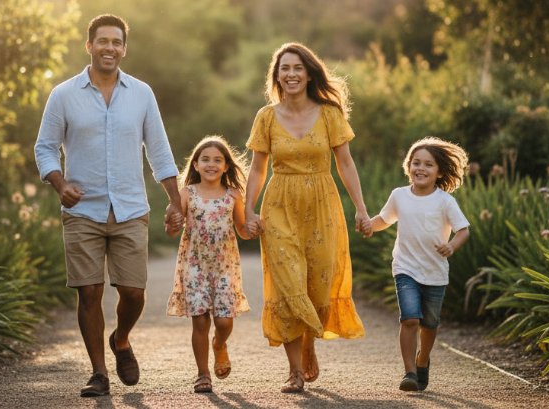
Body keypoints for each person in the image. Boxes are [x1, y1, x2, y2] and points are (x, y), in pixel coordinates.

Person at [34, 14, 184, 397]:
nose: (110, 48)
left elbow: (160, 151)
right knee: (89, 293)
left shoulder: (141, 94)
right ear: (89, 45)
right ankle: (99, 373)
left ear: (124, 48)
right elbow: (45, 148)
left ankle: (120, 338)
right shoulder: (64, 95)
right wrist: (59, 183)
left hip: (130, 209)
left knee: (133, 292)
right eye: (103, 41)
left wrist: (176, 202)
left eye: (117, 42)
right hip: (82, 210)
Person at [243, 42, 370, 394]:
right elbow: (257, 169)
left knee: (317, 283)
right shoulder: (266, 117)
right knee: (288, 285)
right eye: (284, 68)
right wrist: (248, 211)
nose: (291, 74)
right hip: (280, 205)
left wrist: (361, 208)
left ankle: (309, 341)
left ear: (310, 72)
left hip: (322, 206)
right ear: (276, 75)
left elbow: (345, 163)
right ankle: (294, 371)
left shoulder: (329, 113)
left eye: (298, 67)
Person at [365, 137, 471, 392]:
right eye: (416, 163)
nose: (420, 168)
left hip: (435, 272)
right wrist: (370, 225)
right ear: (408, 166)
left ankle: (423, 360)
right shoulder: (399, 196)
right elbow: (384, 218)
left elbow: (463, 230)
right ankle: (410, 373)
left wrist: (451, 246)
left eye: (428, 164)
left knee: (430, 325)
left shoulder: (444, 201)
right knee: (410, 319)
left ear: (440, 172)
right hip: (405, 268)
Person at [165, 136, 260, 394]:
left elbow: (242, 230)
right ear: (195, 164)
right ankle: (202, 374)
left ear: (226, 166)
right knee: (199, 322)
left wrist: (253, 227)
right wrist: (171, 223)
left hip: (225, 268)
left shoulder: (233, 196)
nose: (211, 164)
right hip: (194, 266)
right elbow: (173, 231)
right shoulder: (187, 194)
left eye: (218, 160)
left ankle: (220, 344)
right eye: (205, 159)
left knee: (225, 322)